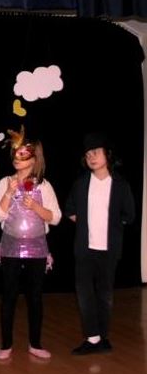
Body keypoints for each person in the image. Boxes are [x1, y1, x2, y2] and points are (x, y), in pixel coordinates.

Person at [0, 127, 61, 360]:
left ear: (34, 158)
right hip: (10, 246)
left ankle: (35, 343)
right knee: (9, 296)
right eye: (15, 153)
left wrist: (36, 207)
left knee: (35, 297)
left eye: (23, 154)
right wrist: (9, 193)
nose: (17, 158)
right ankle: (6, 344)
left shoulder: (43, 185)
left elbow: (56, 217)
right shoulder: (5, 182)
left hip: (37, 248)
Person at [65, 132, 135, 355]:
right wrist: (86, 223)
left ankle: (102, 337)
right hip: (85, 249)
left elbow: (129, 215)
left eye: (95, 152)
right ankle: (92, 337)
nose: (91, 157)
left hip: (109, 249)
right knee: (84, 293)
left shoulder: (120, 184)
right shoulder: (81, 184)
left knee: (105, 294)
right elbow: (70, 210)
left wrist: (112, 225)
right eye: (87, 155)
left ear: (107, 154)